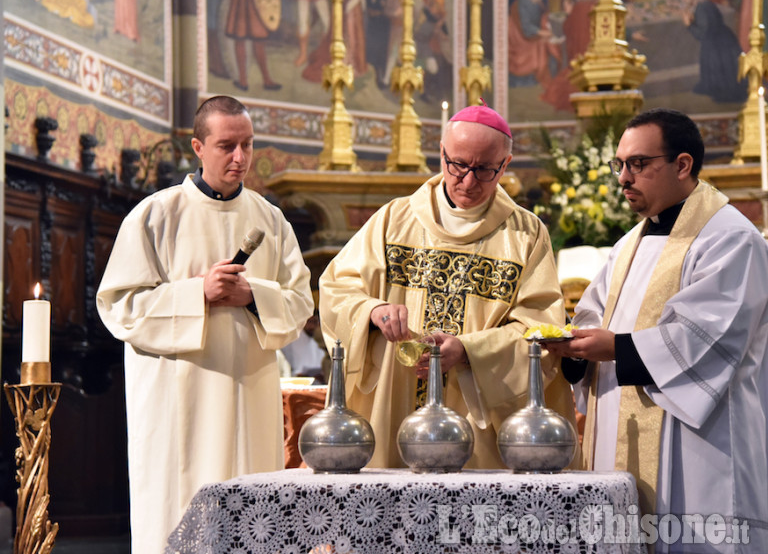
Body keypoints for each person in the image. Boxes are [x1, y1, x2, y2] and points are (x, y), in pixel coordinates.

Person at [96, 96, 314, 554]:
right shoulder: (155, 215)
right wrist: (198, 293)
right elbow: (118, 305)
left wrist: (253, 296)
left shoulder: (270, 220)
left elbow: (300, 304)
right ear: (198, 146)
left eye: (248, 145)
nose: (240, 158)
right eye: (226, 145)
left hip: (249, 393)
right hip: (179, 405)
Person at [546, 108, 768, 551]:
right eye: (620, 165)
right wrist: (574, 352)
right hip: (619, 432)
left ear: (682, 165)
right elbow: (591, 316)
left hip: (701, 448)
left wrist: (618, 350)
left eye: (639, 164)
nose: (624, 178)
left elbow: (710, 336)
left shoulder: (730, 239)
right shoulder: (629, 244)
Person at [319, 104, 578, 469]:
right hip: (396, 398)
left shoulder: (525, 235)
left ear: (505, 166)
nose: (468, 181)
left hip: (479, 421)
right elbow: (336, 289)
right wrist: (373, 311)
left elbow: (541, 331)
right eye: (457, 165)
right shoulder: (394, 220)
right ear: (441, 154)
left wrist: (470, 352)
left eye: (485, 170)